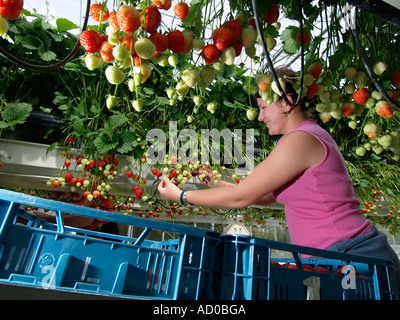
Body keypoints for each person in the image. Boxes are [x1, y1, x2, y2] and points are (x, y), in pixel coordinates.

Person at [157, 66, 400, 299]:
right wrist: (217, 185)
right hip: (337, 258)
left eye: (263, 107)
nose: (260, 116)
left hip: (355, 257)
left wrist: (182, 196)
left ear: (286, 102)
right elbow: (266, 195)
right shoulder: (304, 137)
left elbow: (242, 197)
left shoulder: (301, 140)